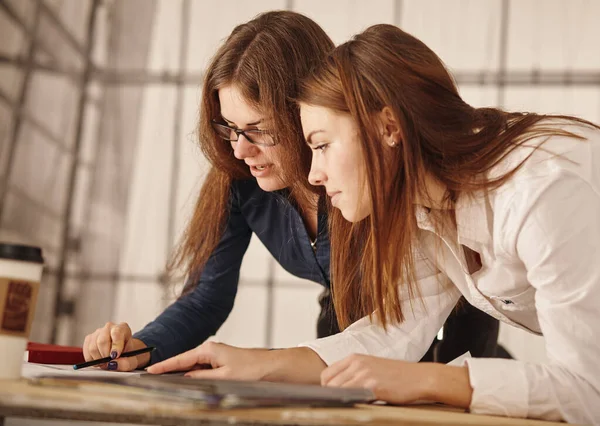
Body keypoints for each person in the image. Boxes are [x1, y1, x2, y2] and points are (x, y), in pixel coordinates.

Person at [149, 23, 600, 424]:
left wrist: (430, 381)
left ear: (388, 129)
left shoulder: (542, 191)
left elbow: (588, 392)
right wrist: (261, 363)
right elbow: (394, 331)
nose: (313, 175)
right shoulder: (426, 212)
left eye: (321, 145)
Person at [85, 12, 502, 376]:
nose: (239, 150)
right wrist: (141, 347)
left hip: (451, 334)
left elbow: (454, 294)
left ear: (306, 108)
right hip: (346, 338)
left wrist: (455, 380)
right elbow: (206, 297)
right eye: (228, 128)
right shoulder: (240, 180)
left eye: (258, 130)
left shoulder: (369, 176)